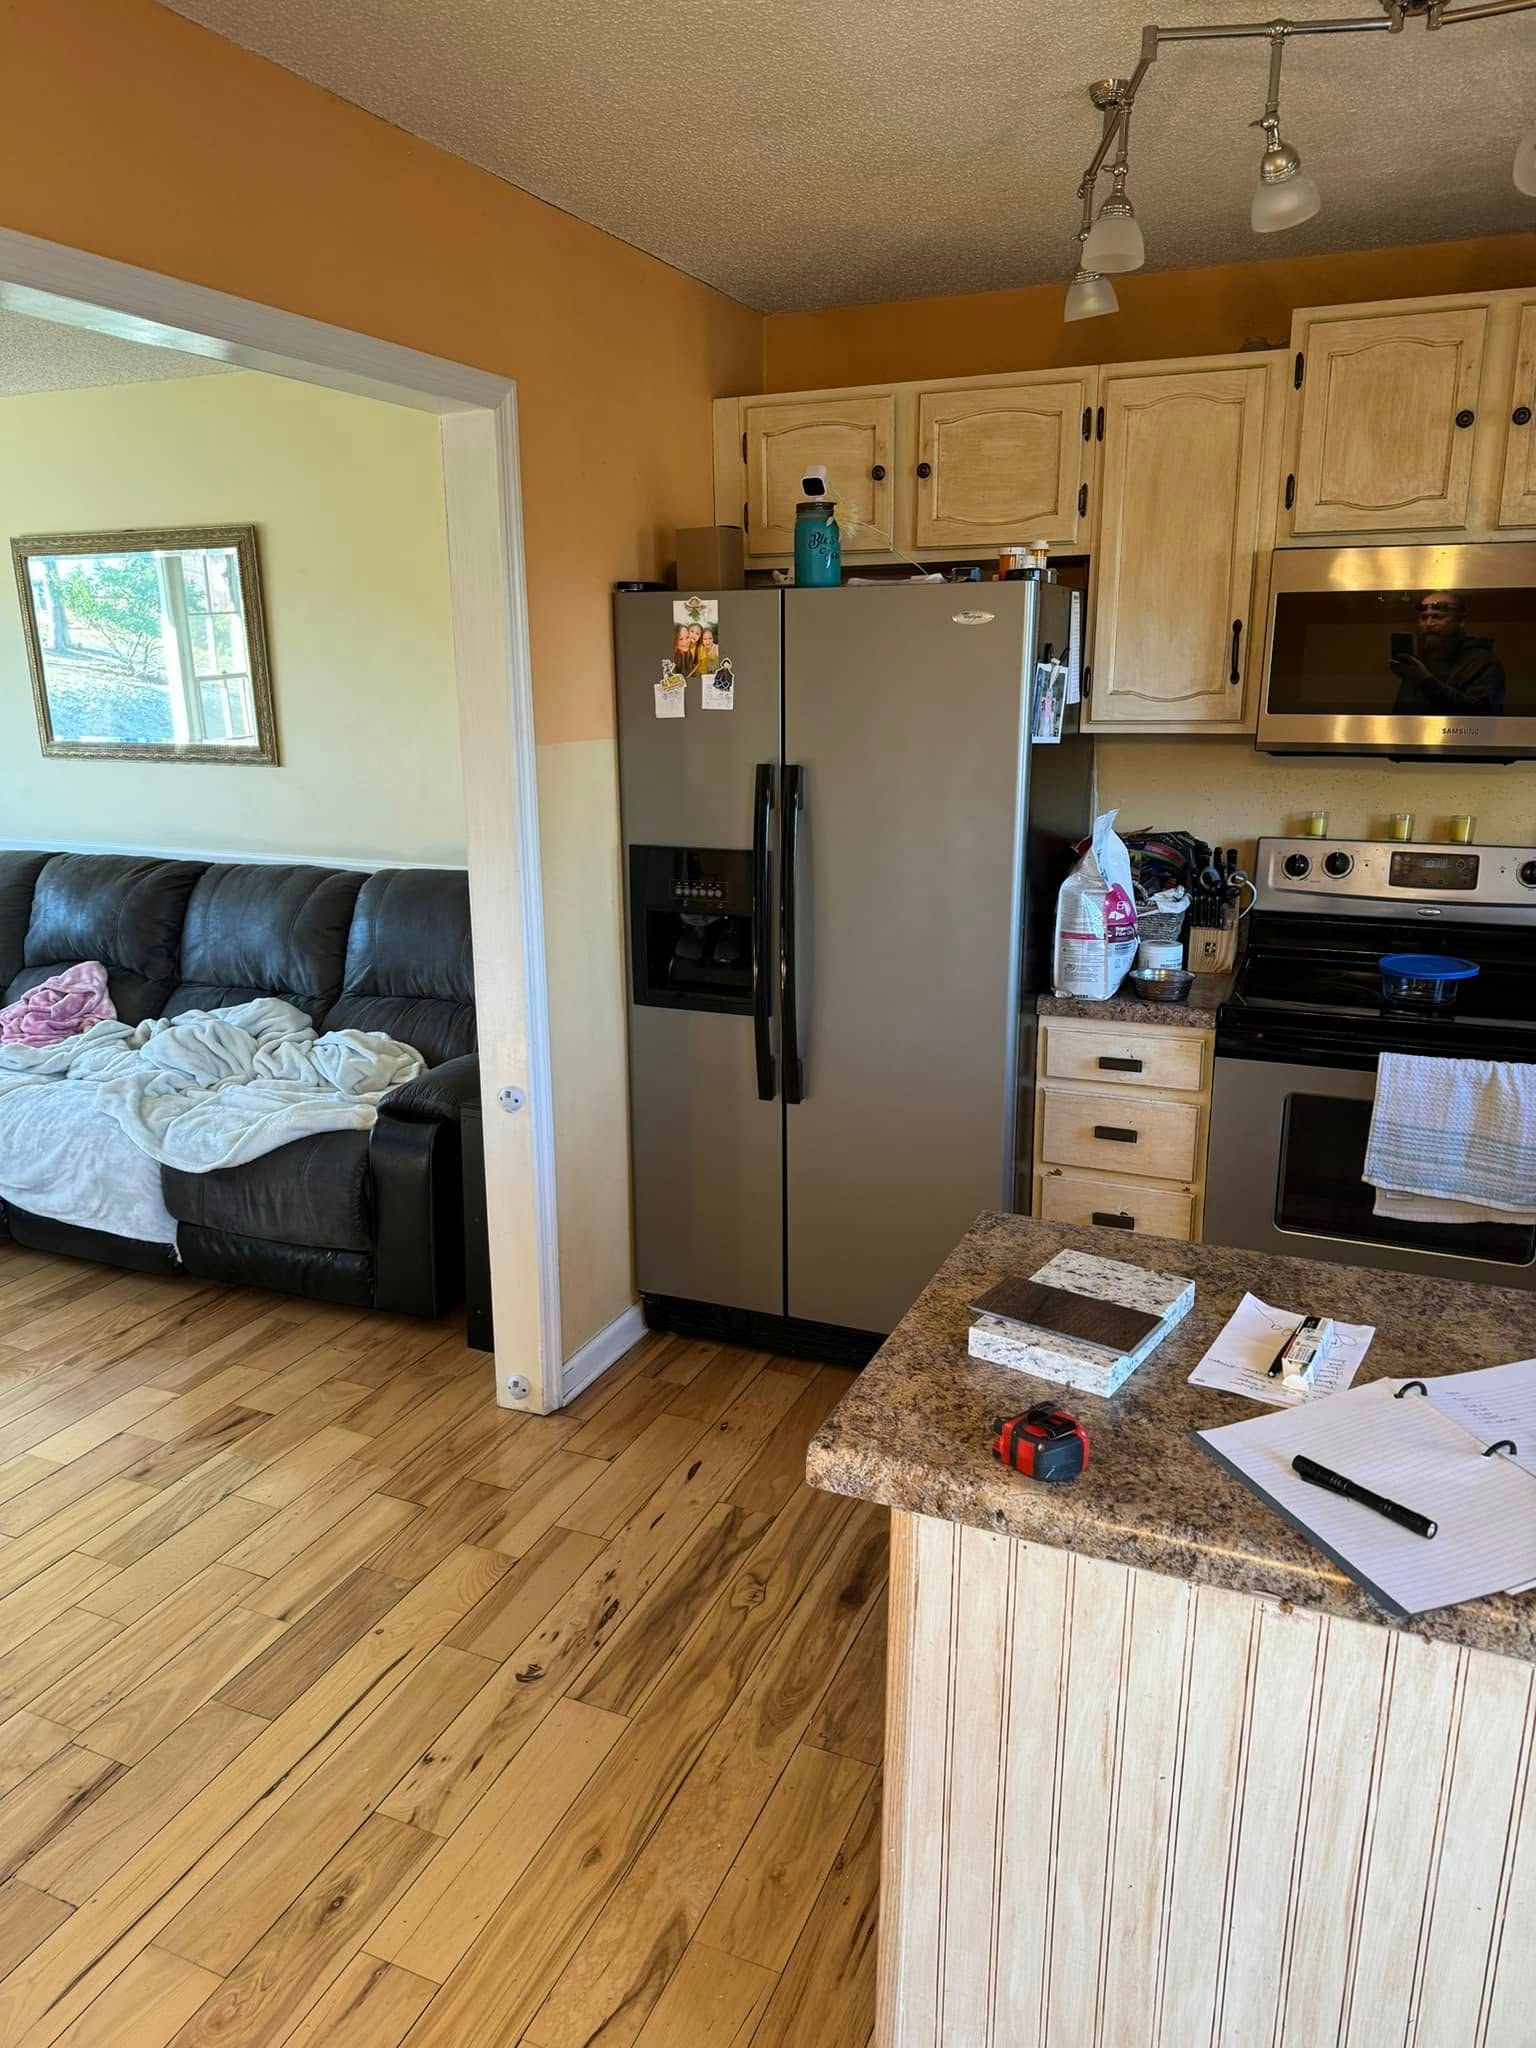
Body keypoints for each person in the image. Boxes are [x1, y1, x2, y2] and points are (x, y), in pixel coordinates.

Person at [1390, 592, 1506, 714]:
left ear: (1460, 621)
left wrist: (1425, 680)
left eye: (1438, 617)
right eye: (1424, 618)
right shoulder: (1422, 662)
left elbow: (1480, 714)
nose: (1429, 624)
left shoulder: (1482, 662)